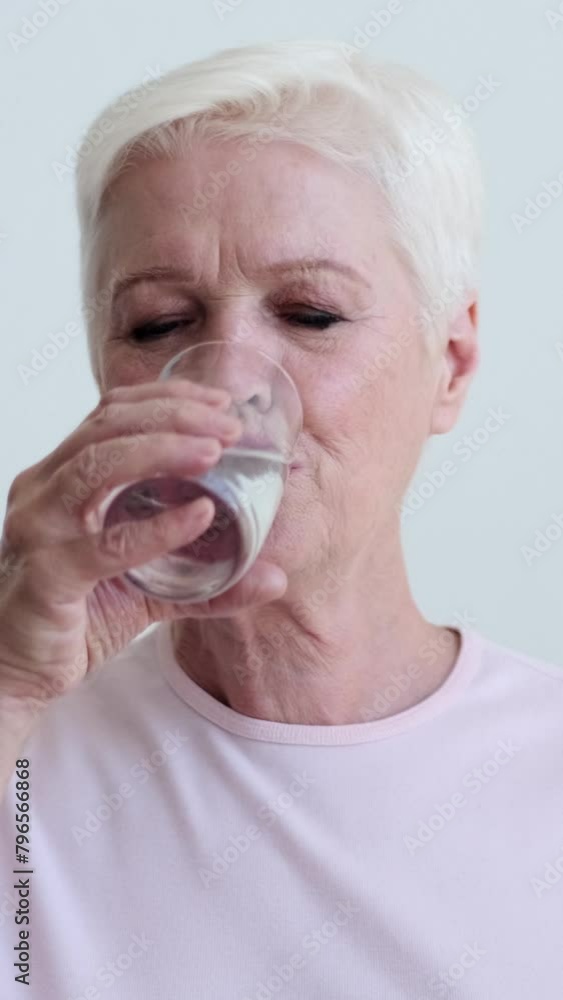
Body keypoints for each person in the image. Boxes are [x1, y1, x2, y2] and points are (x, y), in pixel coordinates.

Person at [0, 39, 561, 999]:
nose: (228, 381)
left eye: (310, 314)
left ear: (451, 364)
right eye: (160, 325)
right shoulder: (26, 753)